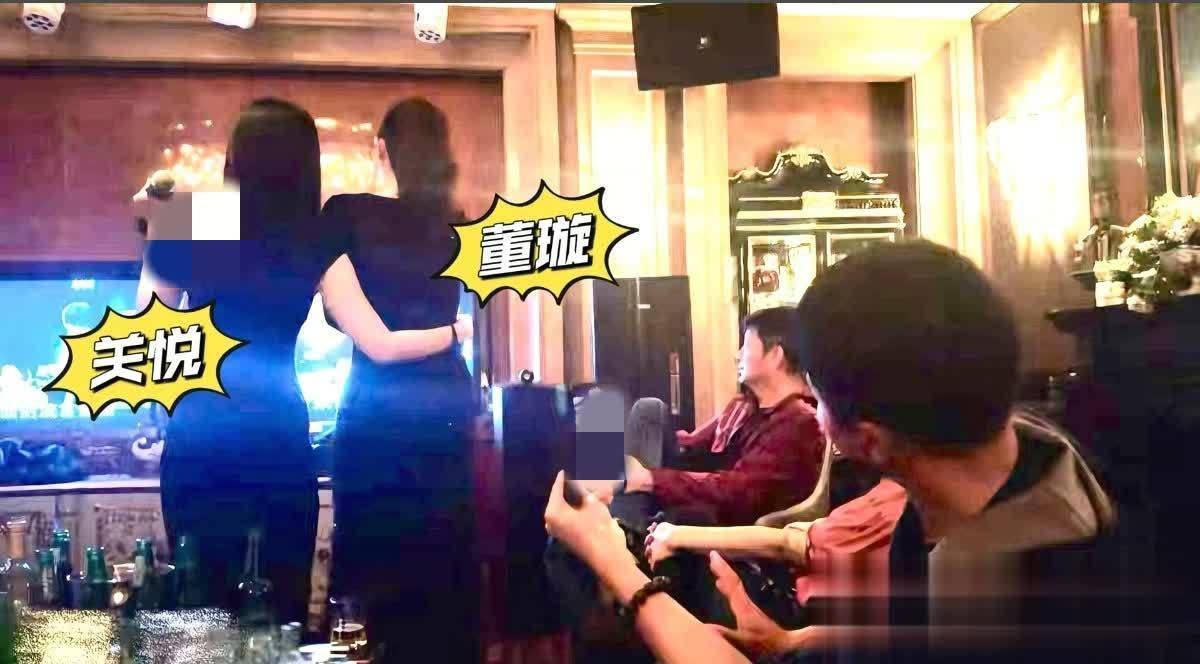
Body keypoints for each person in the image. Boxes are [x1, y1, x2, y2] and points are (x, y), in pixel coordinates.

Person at [546, 240, 1122, 664]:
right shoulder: (1025, 457)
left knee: (578, 553)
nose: (815, 415)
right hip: (757, 574)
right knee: (627, 424)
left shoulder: (1013, 594)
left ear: (866, 440)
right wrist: (792, 641)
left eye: (817, 399)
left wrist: (618, 570)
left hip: (732, 540)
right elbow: (908, 628)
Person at [137, 98, 469, 626]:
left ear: (235, 155)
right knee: (281, 610)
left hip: (199, 433)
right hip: (278, 436)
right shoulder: (314, 237)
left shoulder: (187, 218)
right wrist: (452, 332)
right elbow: (380, 343)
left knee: (201, 606)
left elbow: (146, 333)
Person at [319, 97, 480, 664]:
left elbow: (376, 342)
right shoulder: (458, 225)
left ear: (380, 149)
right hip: (447, 409)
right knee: (443, 567)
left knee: (370, 573)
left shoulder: (344, 214)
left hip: (377, 414)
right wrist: (454, 333)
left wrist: (166, 213)